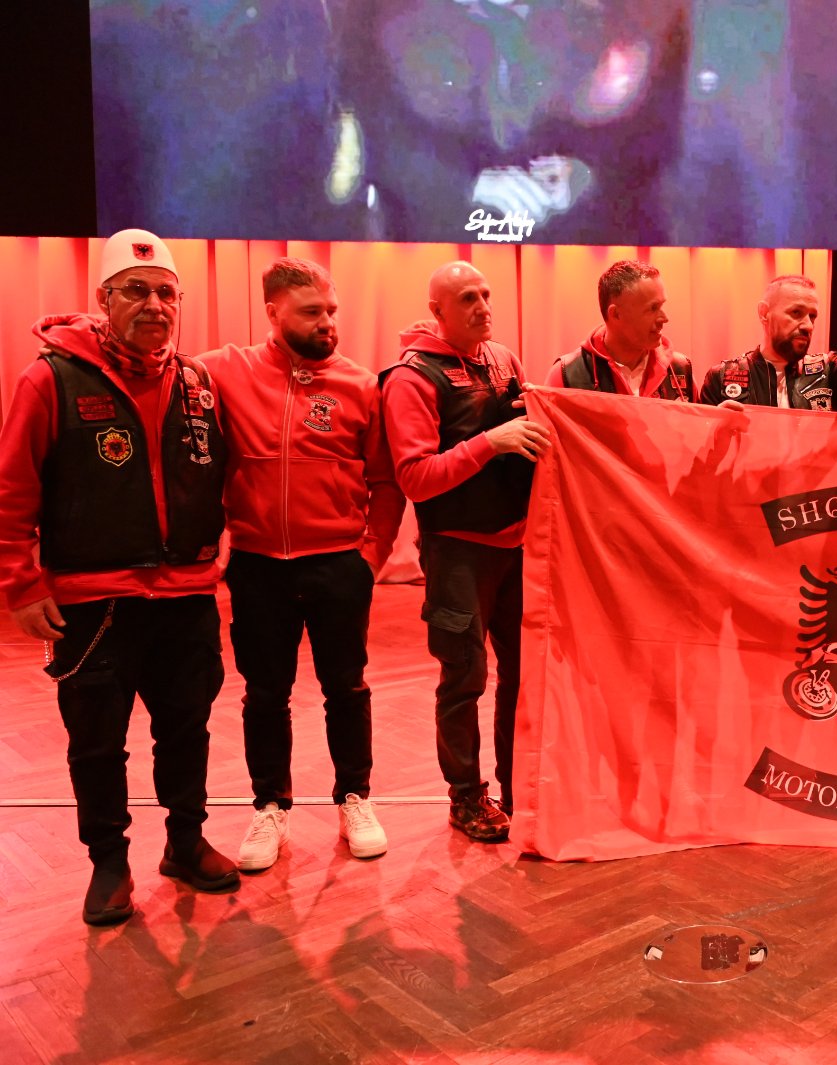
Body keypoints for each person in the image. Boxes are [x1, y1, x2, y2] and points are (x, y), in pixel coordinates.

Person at [0, 229, 238, 924]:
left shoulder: (198, 384)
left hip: (186, 596)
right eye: (136, 290)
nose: (154, 304)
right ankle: (108, 861)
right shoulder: (50, 379)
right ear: (103, 300)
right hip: (92, 602)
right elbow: (12, 491)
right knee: (98, 743)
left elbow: (225, 476)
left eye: (166, 292)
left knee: (187, 730)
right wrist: (21, 585)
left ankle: (185, 842)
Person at [201, 258, 404, 870]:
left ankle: (355, 798)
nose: (327, 323)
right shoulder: (223, 370)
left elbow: (386, 482)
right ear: (273, 312)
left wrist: (371, 557)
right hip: (258, 565)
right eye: (312, 312)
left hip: (338, 565)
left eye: (331, 311)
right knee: (265, 693)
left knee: (347, 687)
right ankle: (270, 807)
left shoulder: (360, 385)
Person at [381, 261, 550, 843]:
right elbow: (414, 477)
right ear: (438, 311)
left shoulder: (503, 358)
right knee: (465, 678)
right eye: (467, 299)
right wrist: (489, 442)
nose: (483, 306)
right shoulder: (410, 377)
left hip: (517, 545)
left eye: (485, 294)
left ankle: (516, 786)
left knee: (523, 675)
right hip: (456, 553)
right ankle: (465, 797)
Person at [697, 275, 837, 409]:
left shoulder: (827, 372)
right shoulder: (722, 378)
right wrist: (717, 429)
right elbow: (701, 449)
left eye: (812, 316)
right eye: (796, 313)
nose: (808, 325)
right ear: (764, 313)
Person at [547, 260, 696, 398]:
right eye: (653, 308)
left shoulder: (679, 368)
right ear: (616, 314)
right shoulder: (568, 374)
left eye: (662, 305)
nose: (664, 318)